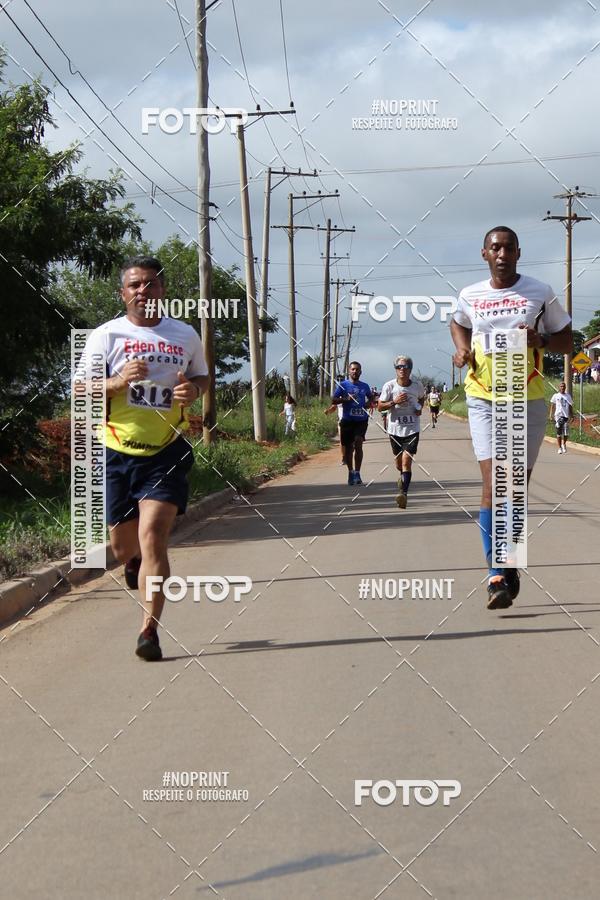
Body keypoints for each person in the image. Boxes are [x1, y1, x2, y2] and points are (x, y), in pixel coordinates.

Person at [79, 256, 209, 660]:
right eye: (134, 285)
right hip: (116, 449)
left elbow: (202, 376)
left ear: (162, 290)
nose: (143, 291)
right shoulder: (106, 336)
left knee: (154, 534)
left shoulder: (184, 334)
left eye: (150, 284)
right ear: (123, 293)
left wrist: (195, 392)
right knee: (123, 546)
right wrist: (117, 382)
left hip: (166, 449)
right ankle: (131, 562)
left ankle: (149, 631)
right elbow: (81, 389)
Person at [451, 227, 572, 610]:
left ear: (519, 252)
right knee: (493, 482)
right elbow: (458, 322)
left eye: (508, 248)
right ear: (484, 253)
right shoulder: (471, 295)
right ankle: (498, 574)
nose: (502, 253)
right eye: (495, 247)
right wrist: (462, 349)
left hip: (528, 396)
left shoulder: (540, 292)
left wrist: (542, 342)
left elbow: (567, 339)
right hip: (483, 397)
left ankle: (509, 563)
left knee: (514, 487)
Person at [378, 356, 425, 508]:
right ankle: (402, 479)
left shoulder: (417, 386)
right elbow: (380, 407)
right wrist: (394, 402)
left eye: (405, 367)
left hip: (412, 429)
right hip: (395, 429)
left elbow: (422, 398)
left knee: (406, 462)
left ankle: (403, 494)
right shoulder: (389, 386)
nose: (402, 369)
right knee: (399, 464)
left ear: (410, 369)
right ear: (395, 370)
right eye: (399, 367)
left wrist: (419, 409)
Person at [332, 361, 372, 486]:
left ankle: (358, 473)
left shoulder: (364, 386)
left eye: (357, 369)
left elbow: (371, 398)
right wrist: (346, 399)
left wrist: (368, 403)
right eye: (353, 369)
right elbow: (333, 399)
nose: (355, 371)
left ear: (361, 372)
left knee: (359, 443)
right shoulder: (343, 385)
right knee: (349, 448)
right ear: (349, 371)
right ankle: (351, 472)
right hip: (347, 420)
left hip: (361, 420)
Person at [550, 382, 573, 454]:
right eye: (561, 386)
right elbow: (552, 405)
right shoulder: (556, 395)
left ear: (565, 387)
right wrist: (551, 414)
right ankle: (559, 448)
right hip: (558, 416)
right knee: (559, 431)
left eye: (563, 386)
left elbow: (570, 406)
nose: (562, 387)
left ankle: (564, 444)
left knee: (566, 433)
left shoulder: (568, 396)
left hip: (565, 416)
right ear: (559, 387)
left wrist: (572, 415)